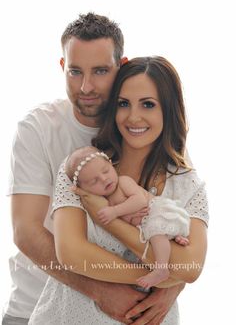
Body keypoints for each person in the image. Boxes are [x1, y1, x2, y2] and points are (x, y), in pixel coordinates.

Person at [3, 13, 185, 325]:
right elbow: (27, 231)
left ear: (122, 65)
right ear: (63, 67)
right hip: (36, 306)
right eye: (75, 72)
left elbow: (179, 217)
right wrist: (98, 290)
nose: (86, 86)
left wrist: (172, 285)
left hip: (133, 307)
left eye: (100, 71)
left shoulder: (144, 128)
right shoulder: (38, 128)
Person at [28, 56, 208, 325]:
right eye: (124, 104)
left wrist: (109, 218)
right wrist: (162, 275)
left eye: (148, 104)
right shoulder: (83, 168)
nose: (133, 116)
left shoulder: (188, 186)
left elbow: (190, 268)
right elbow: (72, 254)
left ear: (168, 110)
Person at [65, 145, 190, 289]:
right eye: (94, 181)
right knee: (153, 239)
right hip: (146, 226)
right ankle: (175, 237)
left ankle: (161, 269)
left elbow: (140, 201)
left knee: (157, 234)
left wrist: (116, 211)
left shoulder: (123, 182)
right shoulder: (104, 201)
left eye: (105, 171)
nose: (104, 179)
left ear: (111, 165)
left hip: (156, 211)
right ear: (84, 188)